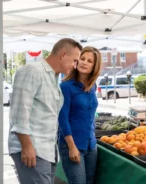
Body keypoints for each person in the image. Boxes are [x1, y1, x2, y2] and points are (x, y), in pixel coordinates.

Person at [8, 38, 83, 184]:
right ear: (63, 54)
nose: (75, 66)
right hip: (33, 149)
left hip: (47, 151)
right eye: (74, 60)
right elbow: (19, 113)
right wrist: (27, 146)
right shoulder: (32, 71)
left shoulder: (53, 77)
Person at [58, 46, 102, 184]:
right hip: (72, 145)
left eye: (89, 61)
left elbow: (90, 114)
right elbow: (62, 119)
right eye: (82, 58)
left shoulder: (92, 86)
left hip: (91, 145)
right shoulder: (66, 86)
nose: (84, 62)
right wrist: (71, 147)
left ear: (95, 66)